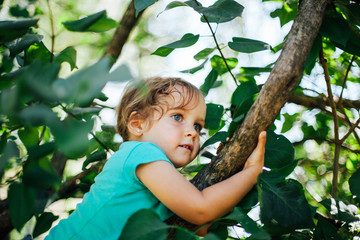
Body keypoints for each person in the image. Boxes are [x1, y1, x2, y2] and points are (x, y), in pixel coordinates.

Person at [45, 77, 266, 239]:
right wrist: (251, 173)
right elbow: (201, 210)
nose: (192, 132)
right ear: (138, 124)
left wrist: (232, 169)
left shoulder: (159, 178)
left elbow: (201, 227)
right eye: (178, 117)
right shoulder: (141, 153)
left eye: (198, 125)